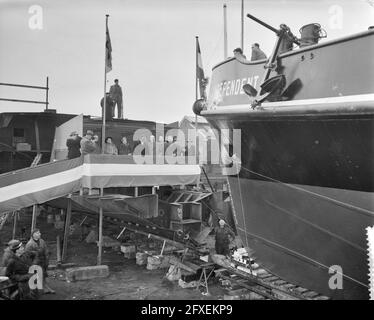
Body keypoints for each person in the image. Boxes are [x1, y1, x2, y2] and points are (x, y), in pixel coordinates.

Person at [25, 229, 55, 294]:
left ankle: (45, 288)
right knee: (35, 277)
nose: (40, 234)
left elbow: (46, 250)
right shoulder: (29, 244)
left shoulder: (42, 241)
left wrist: (47, 260)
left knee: (43, 275)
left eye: (39, 232)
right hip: (34, 263)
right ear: (34, 235)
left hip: (43, 261)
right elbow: (27, 255)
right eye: (38, 233)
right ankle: (37, 290)